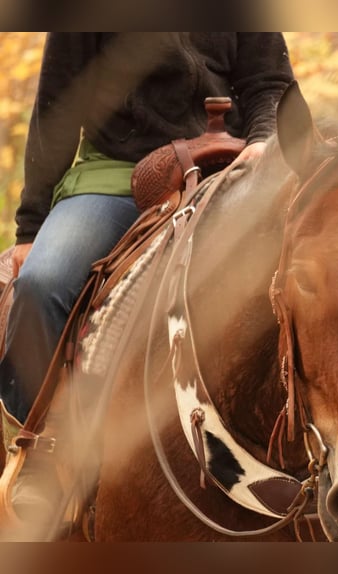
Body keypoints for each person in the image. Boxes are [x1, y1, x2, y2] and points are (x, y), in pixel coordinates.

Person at [0, 32, 294, 527]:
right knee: (42, 284)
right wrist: (31, 226)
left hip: (230, 169)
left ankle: (314, 450)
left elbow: (271, 84)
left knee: (312, 275)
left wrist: (264, 141)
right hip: (118, 175)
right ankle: (42, 448)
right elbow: (57, 106)